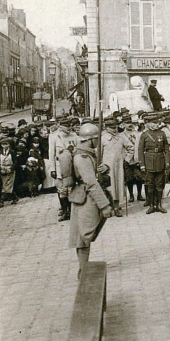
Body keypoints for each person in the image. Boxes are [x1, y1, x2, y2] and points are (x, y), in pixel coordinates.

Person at [68, 123, 113, 279]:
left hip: (85, 196)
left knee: (84, 234)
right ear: (90, 140)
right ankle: (83, 269)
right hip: (86, 198)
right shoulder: (82, 157)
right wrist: (104, 205)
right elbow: (91, 183)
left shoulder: (86, 153)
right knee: (84, 234)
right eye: (96, 139)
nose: (97, 142)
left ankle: (83, 268)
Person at [138, 112, 170, 215]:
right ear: (148, 123)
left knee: (160, 184)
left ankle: (159, 205)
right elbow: (140, 150)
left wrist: (167, 161)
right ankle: (151, 205)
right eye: (153, 122)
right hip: (149, 162)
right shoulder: (144, 135)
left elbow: (166, 148)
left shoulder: (162, 133)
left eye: (156, 122)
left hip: (160, 160)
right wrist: (142, 164)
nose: (155, 124)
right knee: (150, 185)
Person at [49, 117, 78, 221]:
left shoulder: (74, 136)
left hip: (72, 165)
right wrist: (52, 169)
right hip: (60, 166)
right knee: (62, 189)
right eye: (65, 126)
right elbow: (51, 154)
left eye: (69, 125)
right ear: (60, 126)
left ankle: (72, 211)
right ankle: (65, 211)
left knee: (72, 187)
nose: (68, 128)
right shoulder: (54, 137)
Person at [0, 137, 18, 206]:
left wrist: (11, 169)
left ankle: (1, 201)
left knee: (8, 185)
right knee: (5, 185)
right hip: (2, 170)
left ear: (9, 145)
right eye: (3, 144)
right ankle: (14, 197)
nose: (4, 146)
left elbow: (15, 162)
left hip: (10, 170)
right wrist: (0, 170)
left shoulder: (12, 152)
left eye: (6, 144)